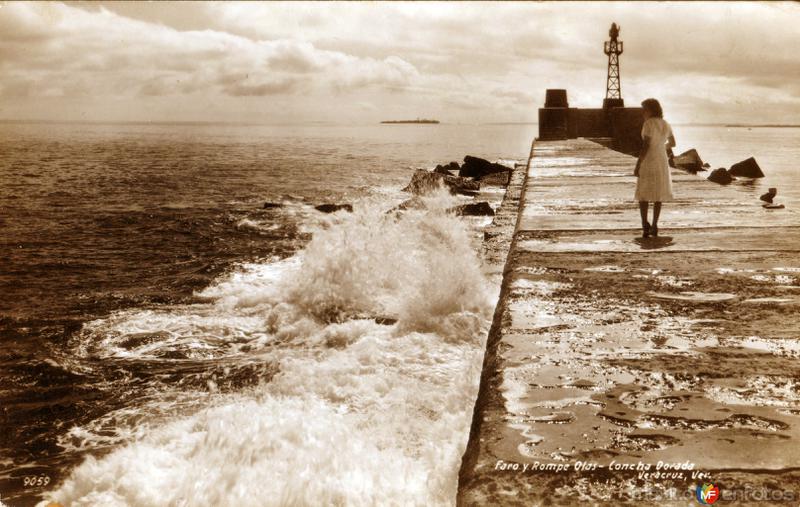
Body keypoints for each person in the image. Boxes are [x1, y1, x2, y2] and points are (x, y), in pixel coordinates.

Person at [634, 98, 675, 238]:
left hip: (649, 160)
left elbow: (645, 146)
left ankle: (645, 225)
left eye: (644, 109)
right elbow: (673, 143)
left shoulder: (648, 124)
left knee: (643, 193)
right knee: (658, 194)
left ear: (650, 109)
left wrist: (638, 164)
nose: (642, 112)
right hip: (661, 159)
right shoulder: (666, 124)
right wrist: (661, 147)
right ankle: (655, 224)